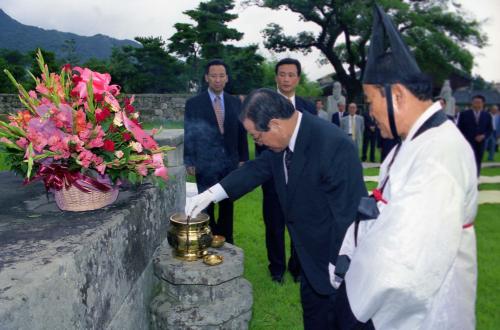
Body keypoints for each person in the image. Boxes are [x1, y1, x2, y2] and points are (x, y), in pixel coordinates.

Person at [333, 5, 478, 329]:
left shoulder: (439, 155)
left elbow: (404, 263)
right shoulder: (408, 145)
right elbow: (375, 209)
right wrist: (348, 253)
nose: (371, 113)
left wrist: (353, 310)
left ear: (396, 95)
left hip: (423, 311)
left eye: (372, 102)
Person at [186, 88, 366, 329]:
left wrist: (339, 265)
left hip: (340, 268)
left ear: (274, 124)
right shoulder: (280, 144)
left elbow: (350, 213)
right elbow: (256, 168)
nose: (257, 143)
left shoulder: (333, 144)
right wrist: (211, 194)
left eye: (257, 137)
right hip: (310, 263)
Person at [255, 58, 315, 284]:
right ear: (276, 78)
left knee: (300, 223)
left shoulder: (308, 107)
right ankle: (277, 269)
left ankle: (297, 267)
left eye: (291, 75)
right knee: (274, 224)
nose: (286, 79)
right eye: (282, 74)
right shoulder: (262, 106)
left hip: (301, 177)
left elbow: (313, 141)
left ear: (298, 78)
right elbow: (258, 141)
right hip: (273, 175)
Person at [183, 59, 249, 244]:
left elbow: (242, 131)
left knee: (228, 203)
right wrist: (189, 160)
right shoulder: (194, 103)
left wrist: (243, 157)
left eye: (221, 75)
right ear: (207, 78)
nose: (218, 79)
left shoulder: (236, 102)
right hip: (204, 162)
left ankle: (227, 241)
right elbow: (189, 132)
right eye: (214, 76)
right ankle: (207, 238)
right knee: (206, 202)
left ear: (227, 78)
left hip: (230, 162)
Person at [457, 94, 493, 175]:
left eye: (479, 102)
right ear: (472, 103)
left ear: (483, 104)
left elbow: (489, 129)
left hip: (481, 142)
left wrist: (483, 136)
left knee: (478, 160)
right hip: (468, 142)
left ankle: (476, 177)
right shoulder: (464, 114)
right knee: (468, 160)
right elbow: (459, 129)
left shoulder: (487, 115)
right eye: (475, 102)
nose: (477, 104)